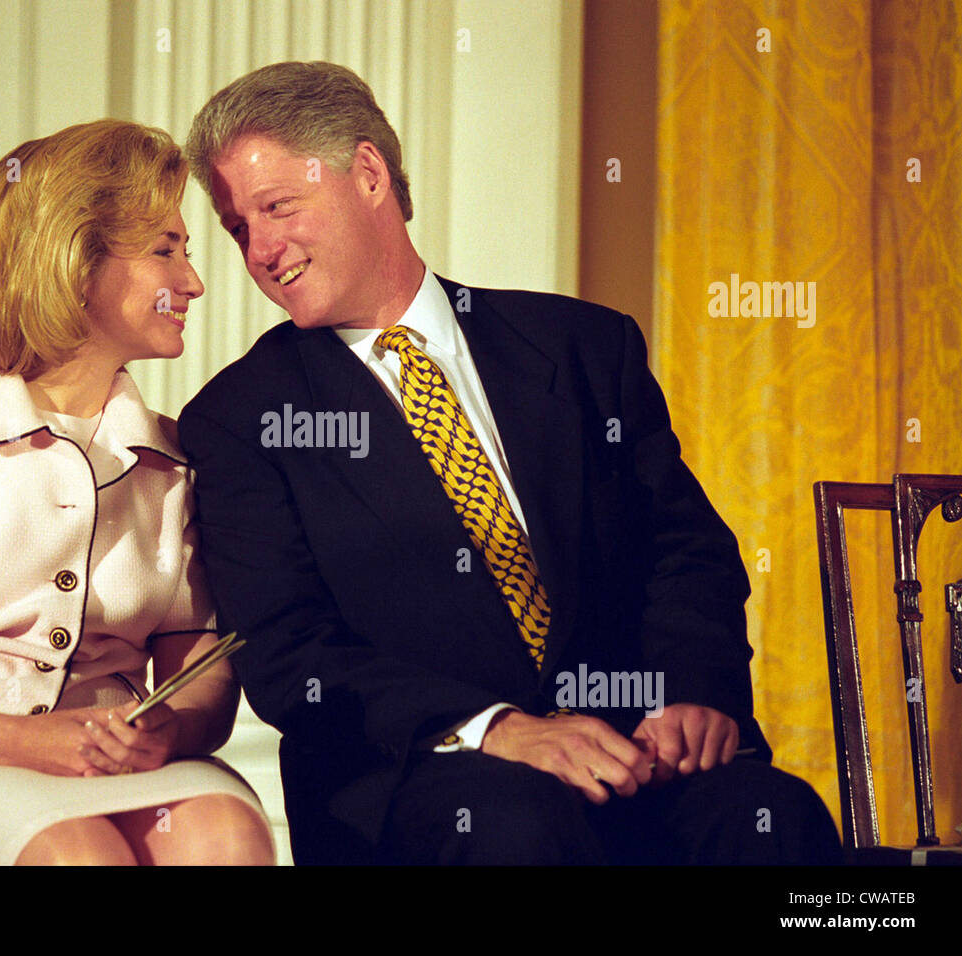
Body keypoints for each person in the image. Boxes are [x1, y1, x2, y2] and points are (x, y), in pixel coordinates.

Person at [178, 61, 843, 864]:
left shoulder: (586, 347)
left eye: (277, 206)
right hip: (420, 781)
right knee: (519, 826)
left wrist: (692, 696)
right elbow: (289, 653)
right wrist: (499, 730)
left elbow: (684, 552)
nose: (260, 249)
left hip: (634, 757)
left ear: (367, 174)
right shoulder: (239, 417)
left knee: (772, 815)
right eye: (238, 226)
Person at [0, 119, 274, 866]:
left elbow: (203, 672)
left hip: (114, 771)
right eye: (166, 251)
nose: (192, 282)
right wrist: (23, 741)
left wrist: (171, 731)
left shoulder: (173, 455)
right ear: (74, 260)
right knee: (77, 853)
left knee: (226, 832)